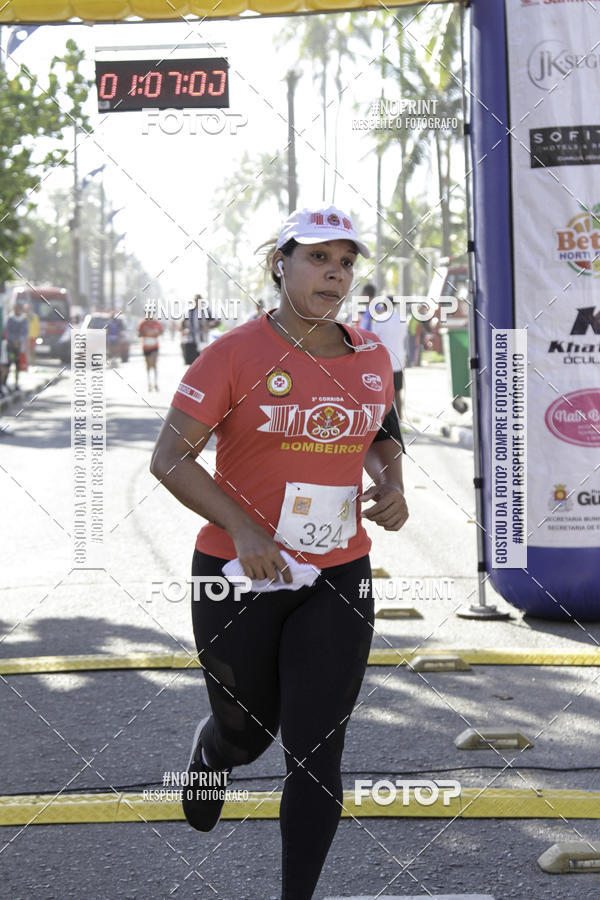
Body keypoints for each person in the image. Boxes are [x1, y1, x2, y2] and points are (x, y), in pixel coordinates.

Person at [150, 205, 408, 900]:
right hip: (239, 575)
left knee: (318, 748)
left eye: (346, 261)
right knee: (248, 733)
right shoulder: (233, 353)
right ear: (281, 264)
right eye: (319, 258)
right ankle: (211, 754)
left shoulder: (370, 354)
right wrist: (245, 530)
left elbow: (383, 432)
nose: (336, 273)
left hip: (339, 573)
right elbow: (170, 458)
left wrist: (392, 485)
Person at [361, 289, 407, 420]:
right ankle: (400, 420)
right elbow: (403, 338)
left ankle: (386, 422)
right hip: (398, 361)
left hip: (384, 363)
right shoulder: (402, 319)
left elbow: (374, 339)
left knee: (384, 394)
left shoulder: (380, 319)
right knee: (397, 392)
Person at [5, 302, 29, 390]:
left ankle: (16, 383)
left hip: (19, 346)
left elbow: (25, 332)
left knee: (17, 364)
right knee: (9, 363)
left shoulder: (24, 319)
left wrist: (19, 340)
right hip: (10, 346)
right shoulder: (10, 318)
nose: (17, 310)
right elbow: (8, 331)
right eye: (16, 308)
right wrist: (14, 340)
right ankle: (5, 383)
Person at [138, 312, 163, 391]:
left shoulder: (156, 323)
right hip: (146, 346)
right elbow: (138, 334)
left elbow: (161, 331)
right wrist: (144, 333)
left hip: (154, 346)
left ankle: (155, 383)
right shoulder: (142, 324)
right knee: (148, 365)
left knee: (154, 363)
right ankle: (149, 383)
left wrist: (156, 333)